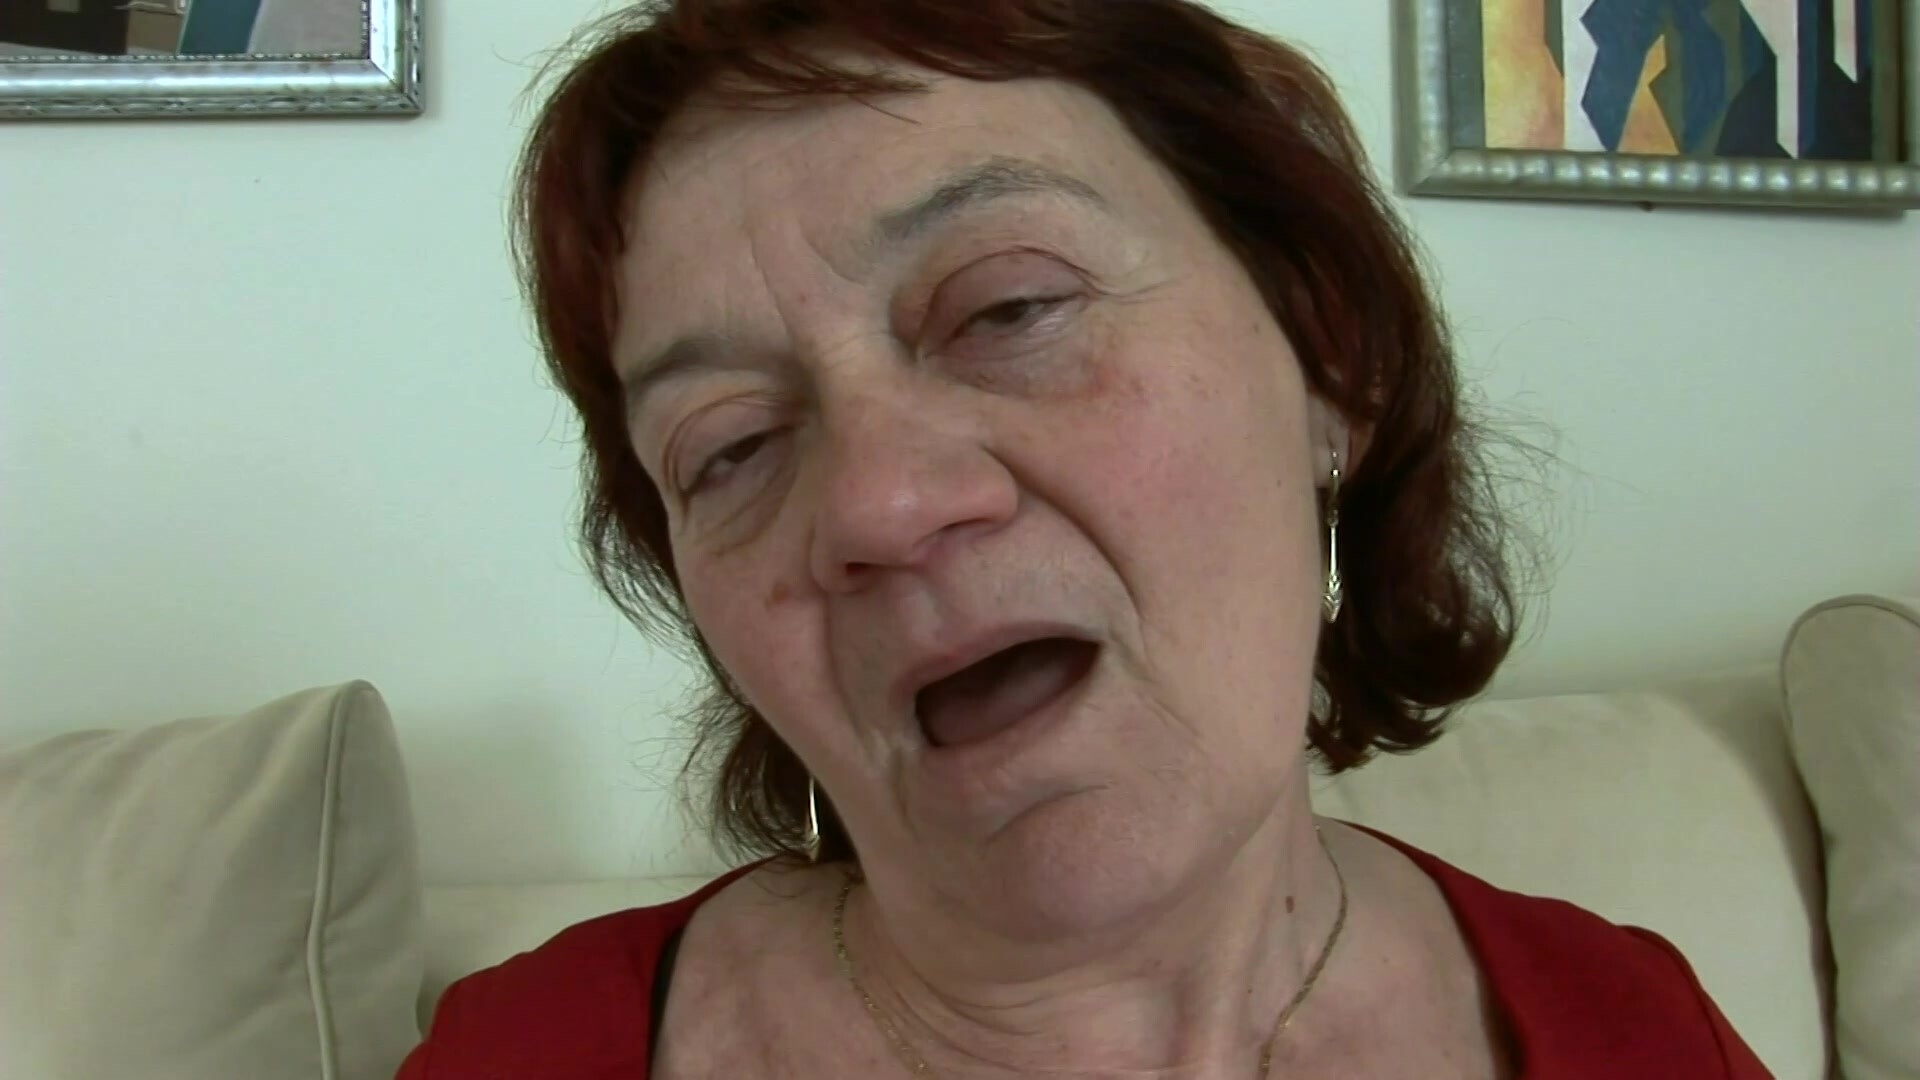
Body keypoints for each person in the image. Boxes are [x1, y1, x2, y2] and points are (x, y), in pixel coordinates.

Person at [398, 1, 1774, 1076]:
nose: (875, 505)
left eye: (1010, 308)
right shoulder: (520, 1056)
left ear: (1327, 359)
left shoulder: (1643, 1034)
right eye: (733, 447)